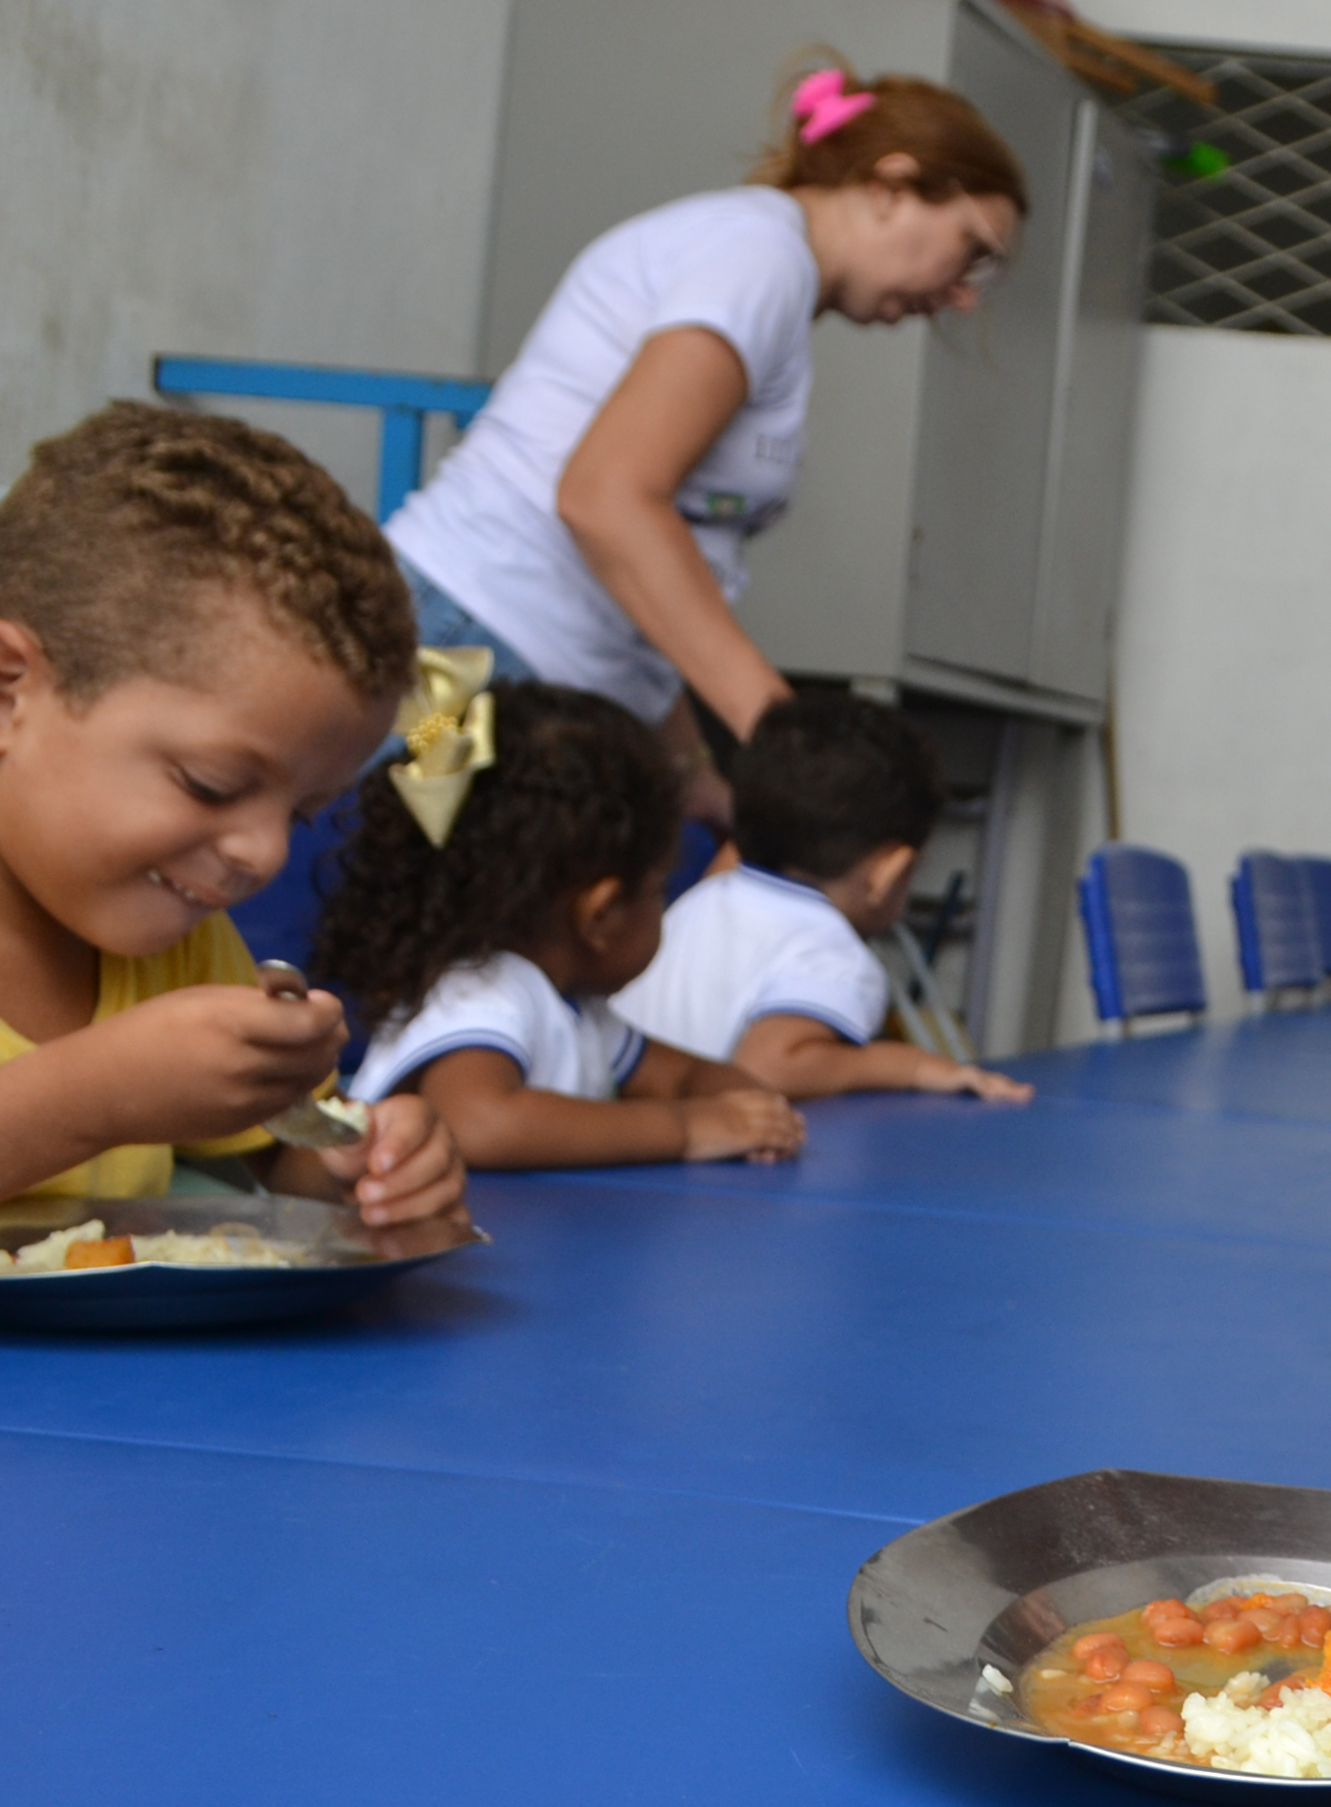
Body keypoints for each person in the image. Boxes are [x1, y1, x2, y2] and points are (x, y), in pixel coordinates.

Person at [383, 58, 1027, 819]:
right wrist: (787, 739)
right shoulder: (759, 258)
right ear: (892, 186)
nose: (961, 296)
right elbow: (606, 497)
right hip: (459, 664)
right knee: (376, 920)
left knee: (447, 920)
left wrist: (700, 776)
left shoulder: (765, 270)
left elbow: (660, 568)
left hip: (514, 668)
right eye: (972, 251)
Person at [0, 403, 464, 1225]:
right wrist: (98, 1093)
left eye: (304, 814)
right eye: (210, 785)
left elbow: (280, 1165)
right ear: (10, 691)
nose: (262, 854)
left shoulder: (177, 947)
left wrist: (362, 1162)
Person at [317, 677, 804, 1169]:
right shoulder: (484, 994)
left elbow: (683, 1078)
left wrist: (748, 1111)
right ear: (602, 914)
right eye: (657, 889)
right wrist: (685, 1128)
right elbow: (476, 1122)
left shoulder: (572, 1012)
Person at [615, 689, 1029, 1102]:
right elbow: (767, 1068)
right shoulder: (833, 954)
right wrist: (911, 1065)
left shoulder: (704, 898)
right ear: (890, 873)